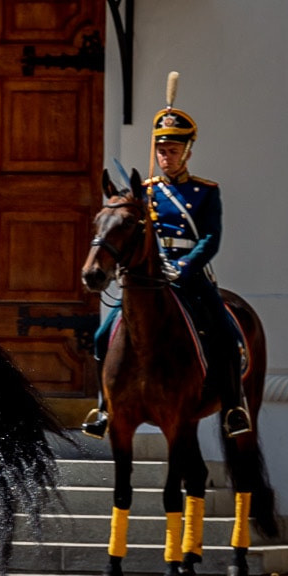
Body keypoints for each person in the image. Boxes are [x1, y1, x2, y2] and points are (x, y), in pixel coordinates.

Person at [84, 73, 248, 440]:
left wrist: (185, 268)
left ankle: (235, 407)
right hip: (150, 275)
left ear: (188, 151)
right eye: (161, 150)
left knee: (225, 334)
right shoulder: (145, 193)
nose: (166, 157)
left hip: (190, 276)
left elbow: (210, 238)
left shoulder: (205, 192)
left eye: (173, 150)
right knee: (101, 335)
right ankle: (104, 405)